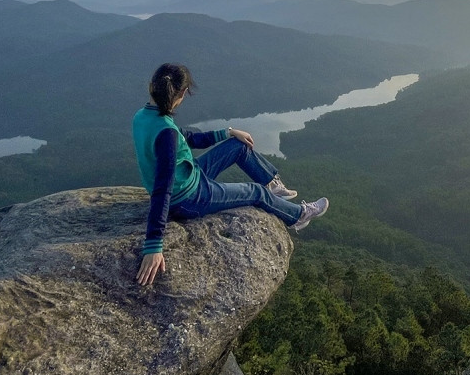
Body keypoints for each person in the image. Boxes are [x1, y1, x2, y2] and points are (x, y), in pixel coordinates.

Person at [132, 62, 329, 286]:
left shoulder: (144, 117)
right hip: (189, 198)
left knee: (238, 146)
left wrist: (228, 132)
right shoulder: (166, 132)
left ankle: (273, 187)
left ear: (152, 86)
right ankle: (298, 216)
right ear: (183, 93)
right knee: (256, 192)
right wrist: (154, 244)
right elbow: (162, 187)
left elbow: (187, 137)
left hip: (189, 177)